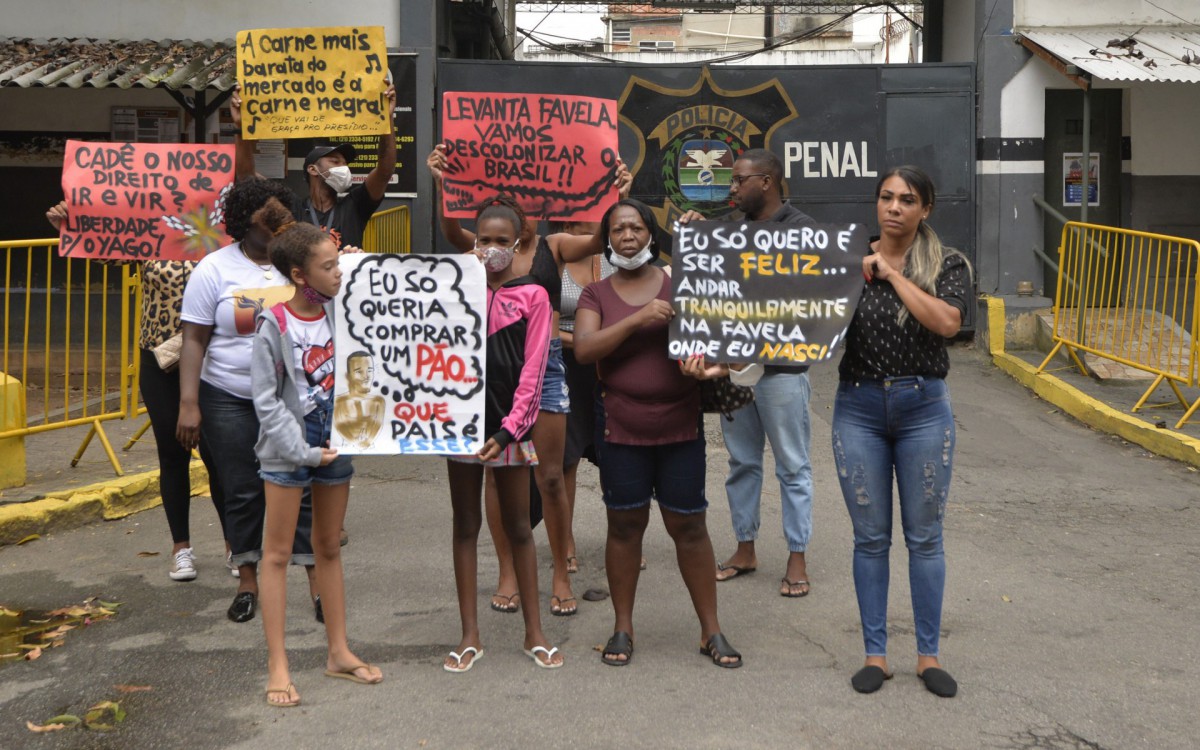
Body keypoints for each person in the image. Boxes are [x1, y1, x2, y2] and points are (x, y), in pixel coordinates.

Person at [427, 146, 629, 617]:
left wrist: (619, 193)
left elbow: (602, 240)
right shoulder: (476, 255)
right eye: (487, 236)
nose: (494, 244)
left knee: (552, 476)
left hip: (549, 371)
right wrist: (441, 185)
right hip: (490, 374)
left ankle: (560, 570)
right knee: (497, 480)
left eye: (508, 231)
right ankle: (507, 572)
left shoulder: (554, 246)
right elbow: (452, 232)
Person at [574, 198, 742, 669]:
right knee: (625, 526)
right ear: (608, 241)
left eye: (636, 228)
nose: (627, 236)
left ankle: (711, 630)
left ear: (652, 235)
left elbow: (721, 345)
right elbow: (585, 349)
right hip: (621, 428)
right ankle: (622, 627)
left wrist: (705, 368)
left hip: (679, 428)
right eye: (618, 230)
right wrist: (637, 319)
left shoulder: (684, 286)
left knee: (689, 526)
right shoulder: (596, 294)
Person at [833, 165, 970, 698]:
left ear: (925, 209)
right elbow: (798, 311)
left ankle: (928, 656)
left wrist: (890, 274)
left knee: (925, 537)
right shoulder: (846, 262)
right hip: (858, 407)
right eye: (886, 197)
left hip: (923, 409)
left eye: (906, 200)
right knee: (870, 538)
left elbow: (947, 323)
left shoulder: (947, 264)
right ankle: (876, 655)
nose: (894, 207)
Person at [45, 202, 224, 583]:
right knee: (172, 452)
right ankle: (182, 549)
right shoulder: (148, 233)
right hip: (159, 361)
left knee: (218, 454)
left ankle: (235, 546)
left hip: (213, 360)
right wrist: (68, 224)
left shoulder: (223, 237)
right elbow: (101, 250)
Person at [250, 199, 381, 708]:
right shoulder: (273, 325)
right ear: (300, 275)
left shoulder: (342, 308)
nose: (338, 272)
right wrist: (303, 452)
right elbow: (265, 402)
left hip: (337, 437)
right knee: (278, 555)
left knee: (329, 547)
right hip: (291, 446)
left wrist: (360, 263)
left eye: (339, 263)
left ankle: (338, 652)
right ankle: (278, 664)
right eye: (328, 267)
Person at [176, 177, 318, 624]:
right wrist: (189, 402)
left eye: (281, 218)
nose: (274, 229)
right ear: (243, 223)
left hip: (293, 398)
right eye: (265, 221)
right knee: (240, 490)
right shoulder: (214, 269)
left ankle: (318, 584)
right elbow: (194, 339)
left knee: (303, 488)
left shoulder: (300, 265)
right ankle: (248, 581)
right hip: (229, 399)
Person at [680, 148, 818, 598]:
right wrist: (702, 239)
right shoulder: (734, 231)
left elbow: (800, 299)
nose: (732, 188)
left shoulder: (801, 230)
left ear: (768, 181)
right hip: (734, 370)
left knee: (792, 466)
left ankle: (797, 558)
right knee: (742, 463)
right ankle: (745, 548)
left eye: (740, 180)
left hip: (781, 369)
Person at [442, 196, 563, 672]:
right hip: (457, 430)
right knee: (465, 526)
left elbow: (534, 371)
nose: (490, 249)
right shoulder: (452, 290)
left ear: (518, 244)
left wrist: (511, 429)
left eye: (499, 241)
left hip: (509, 431)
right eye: (482, 240)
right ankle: (469, 634)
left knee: (518, 528)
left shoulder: (533, 296)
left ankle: (535, 632)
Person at [232, 82, 397, 250]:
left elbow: (385, 171)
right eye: (335, 161)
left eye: (345, 164)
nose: (343, 168)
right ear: (313, 169)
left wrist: (387, 119)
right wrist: (240, 127)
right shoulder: (292, 207)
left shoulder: (354, 206)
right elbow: (248, 177)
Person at [333, 351, 386, 449]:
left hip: (371, 448)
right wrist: (355, 443)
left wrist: (368, 442)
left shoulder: (378, 401)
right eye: (359, 371)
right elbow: (339, 426)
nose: (366, 376)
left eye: (370, 370)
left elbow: (378, 425)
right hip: (347, 448)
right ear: (348, 376)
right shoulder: (338, 402)